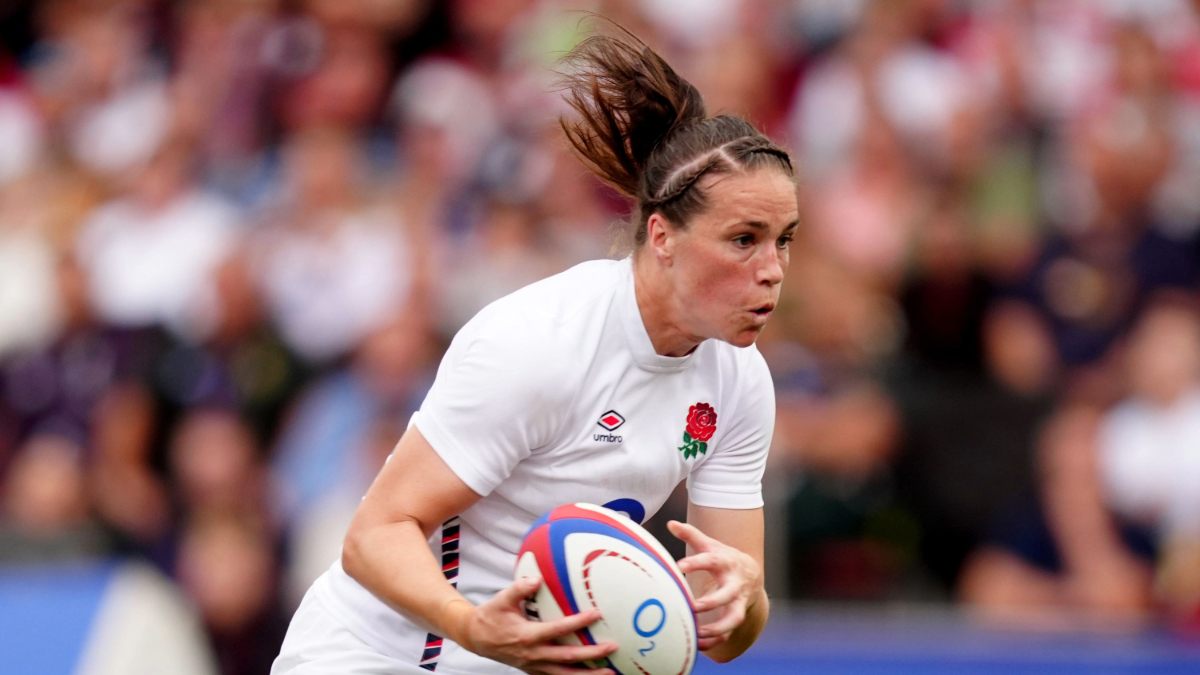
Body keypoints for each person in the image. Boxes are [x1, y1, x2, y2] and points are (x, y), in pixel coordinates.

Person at [272, 24, 799, 675]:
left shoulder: (740, 383)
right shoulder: (537, 344)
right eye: (745, 238)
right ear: (661, 236)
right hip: (375, 656)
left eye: (784, 240)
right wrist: (473, 626)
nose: (773, 268)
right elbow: (373, 535)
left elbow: (727, 633)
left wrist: (743, 603)